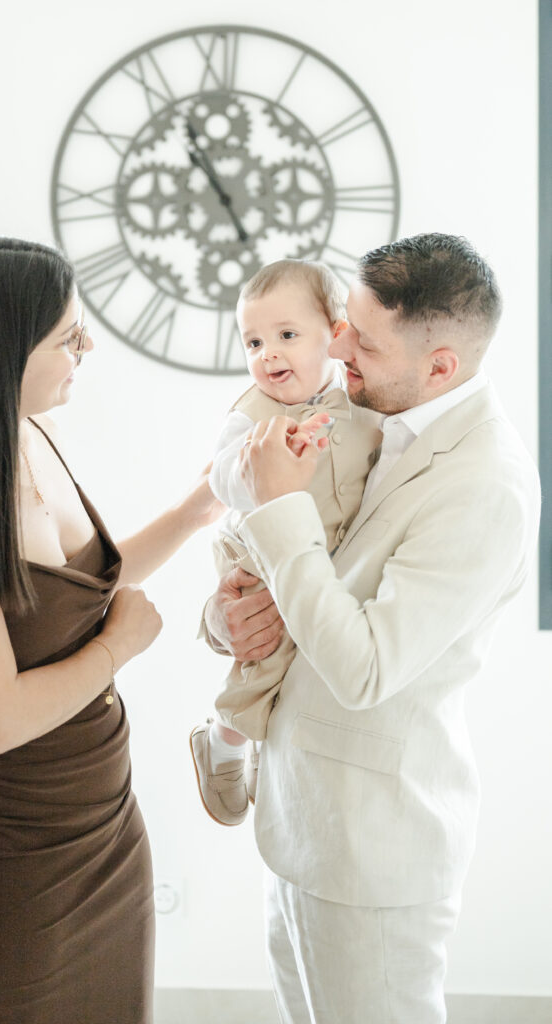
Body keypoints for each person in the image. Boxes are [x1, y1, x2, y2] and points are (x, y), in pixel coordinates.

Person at [0, 236, 220, 1024]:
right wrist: (119, 647)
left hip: (103, 830)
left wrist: (197, 509)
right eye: (68, 336)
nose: (86, 348)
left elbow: (78, 592)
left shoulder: (27, 436)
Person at [202, 234, 541, 1023]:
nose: (336, 346)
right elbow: (305, 579)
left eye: (363, 339)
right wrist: (224, 619)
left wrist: (278, 505)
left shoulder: (485, 486)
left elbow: (363, 670)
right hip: (299, 822)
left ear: (440, 367)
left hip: (370, 852)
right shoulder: (362, 412)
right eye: (343, 324)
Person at [190, 259, 380, 825]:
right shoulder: (251, 415)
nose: (267, 354)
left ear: (336, 335)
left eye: (287, 336)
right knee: (266, 652)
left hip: (324, 551)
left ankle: (261, 745)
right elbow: (221, 481)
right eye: (253, 342)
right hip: (257, 554)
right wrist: (263, 463)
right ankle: (225, 739)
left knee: (315, 650)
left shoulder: (361, 405)